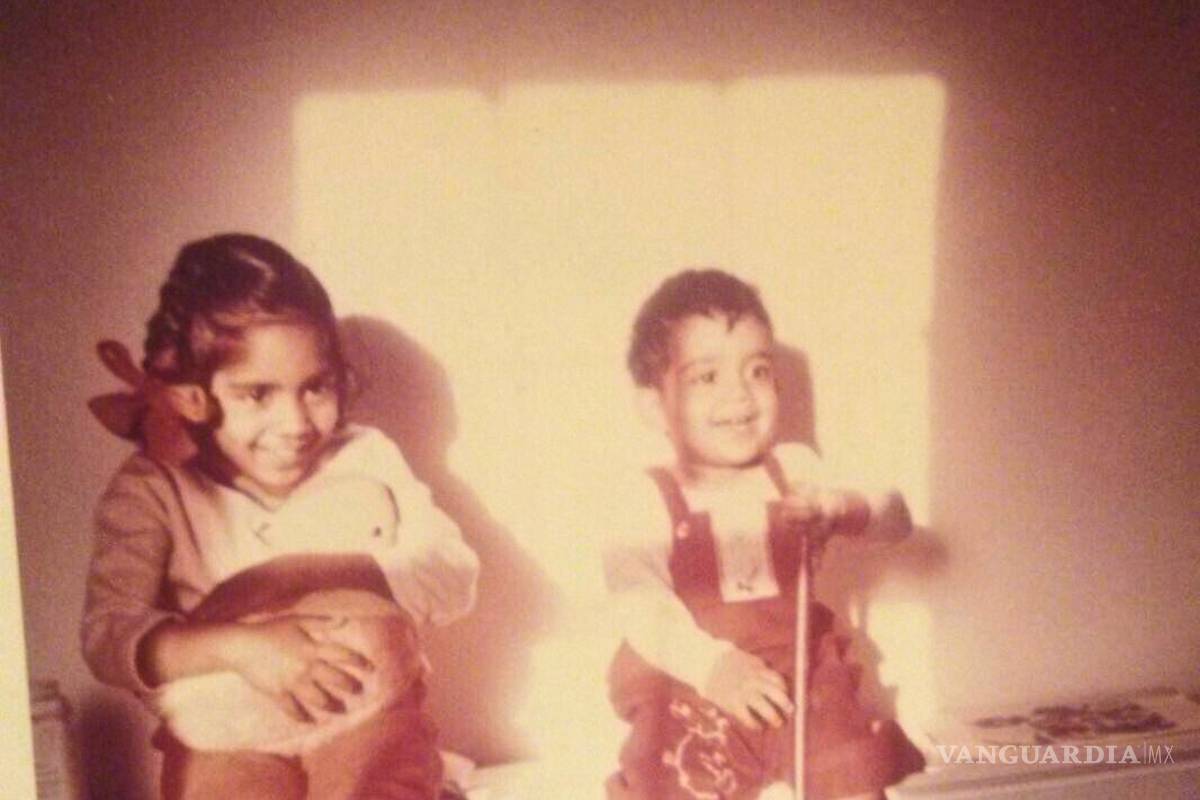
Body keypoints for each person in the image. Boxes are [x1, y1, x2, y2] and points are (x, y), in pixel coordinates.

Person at [81, 234, 479, 799]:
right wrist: (242, 648)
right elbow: (108, 634)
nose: (295, 424)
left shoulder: (365, 454)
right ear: (191, 395)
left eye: (315, 388)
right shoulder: (153, 489)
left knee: (380, 778)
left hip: (368, 719)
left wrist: (312, 573)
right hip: (228, 740)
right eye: (257, 395)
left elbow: (453, 575)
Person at [603, 269, 925, 800]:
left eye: (756, 371)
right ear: (655, 406)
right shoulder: (646, 497)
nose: (740, 396)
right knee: (666, 772)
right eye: (706, 377)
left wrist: (840, 508)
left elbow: (897, 517)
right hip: (692, 680)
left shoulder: (794, 468)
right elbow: (637, 604)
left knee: (850, 762)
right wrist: (712, 669)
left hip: (797, 673)